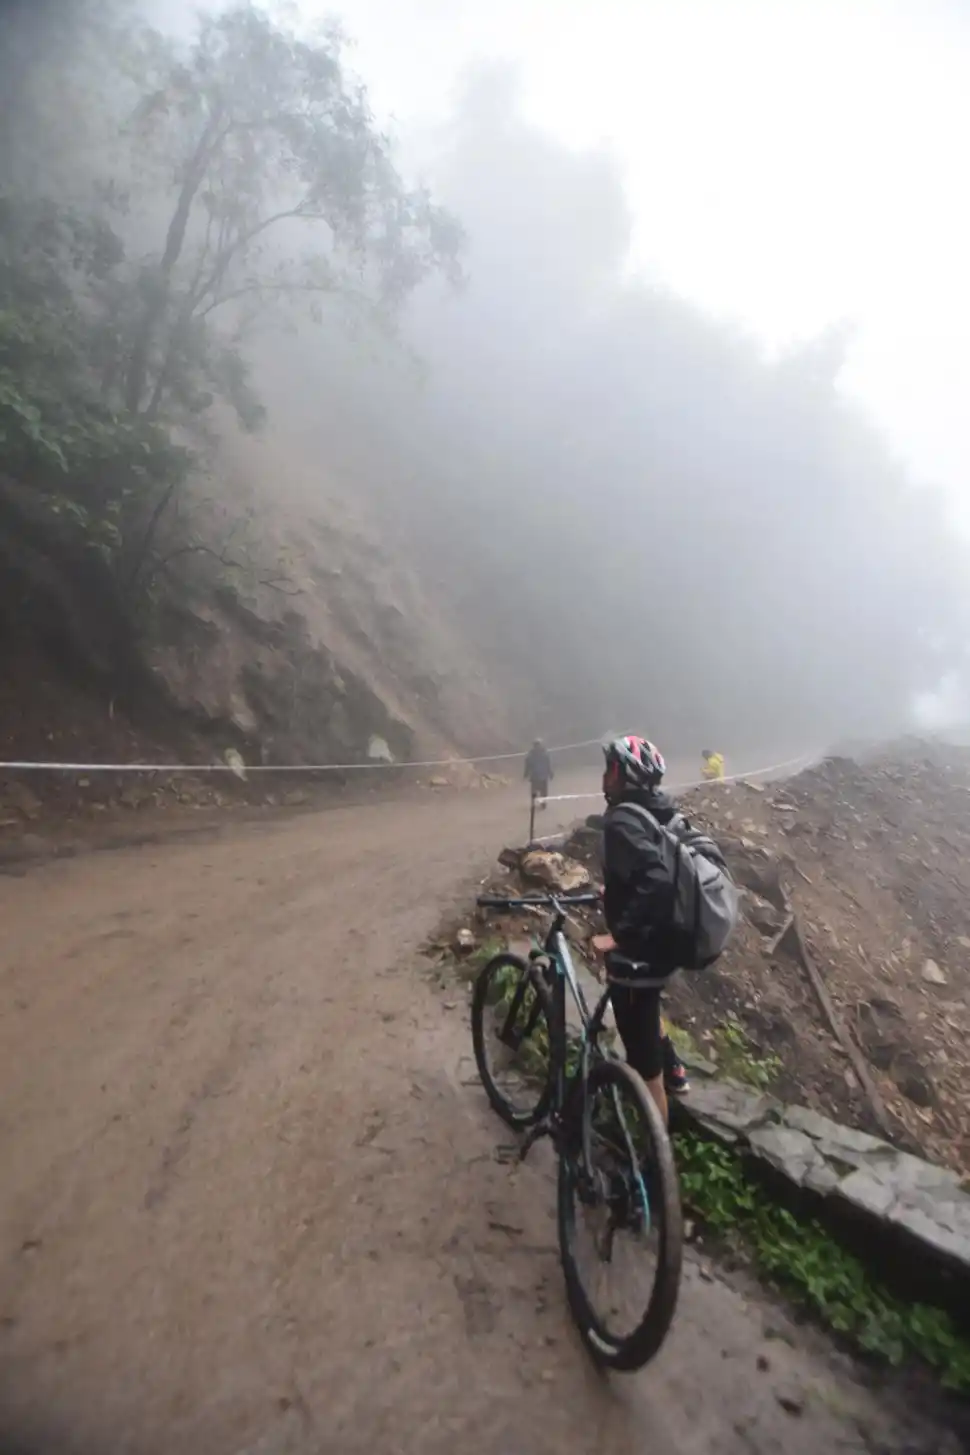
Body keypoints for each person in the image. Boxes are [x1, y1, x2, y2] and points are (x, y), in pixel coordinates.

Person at [589, 735, 693, 1124]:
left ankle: (654, 1153)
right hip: (668, 942)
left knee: (645, 1073)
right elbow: (652, 868)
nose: (604, 776)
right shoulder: (659, 810)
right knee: (647, 1013)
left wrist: (620, 935)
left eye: (609, 768)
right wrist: (616, 891)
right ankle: (675, 1069)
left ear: (621, 775)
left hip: (640, 957)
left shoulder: (621, 821)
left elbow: (657, 879)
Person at [524, 737, 553, 810]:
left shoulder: (544, 754)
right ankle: (535, 803)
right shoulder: (531, 755)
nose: (537, 746)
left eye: (538, 745)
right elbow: (528, 766)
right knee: (535, 791)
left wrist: (550, 773)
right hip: (536, 776)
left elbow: (548, 764)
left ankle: (543, 803)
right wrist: (526, 774)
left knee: (543, 791)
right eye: (536, 745)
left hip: (542, 776)